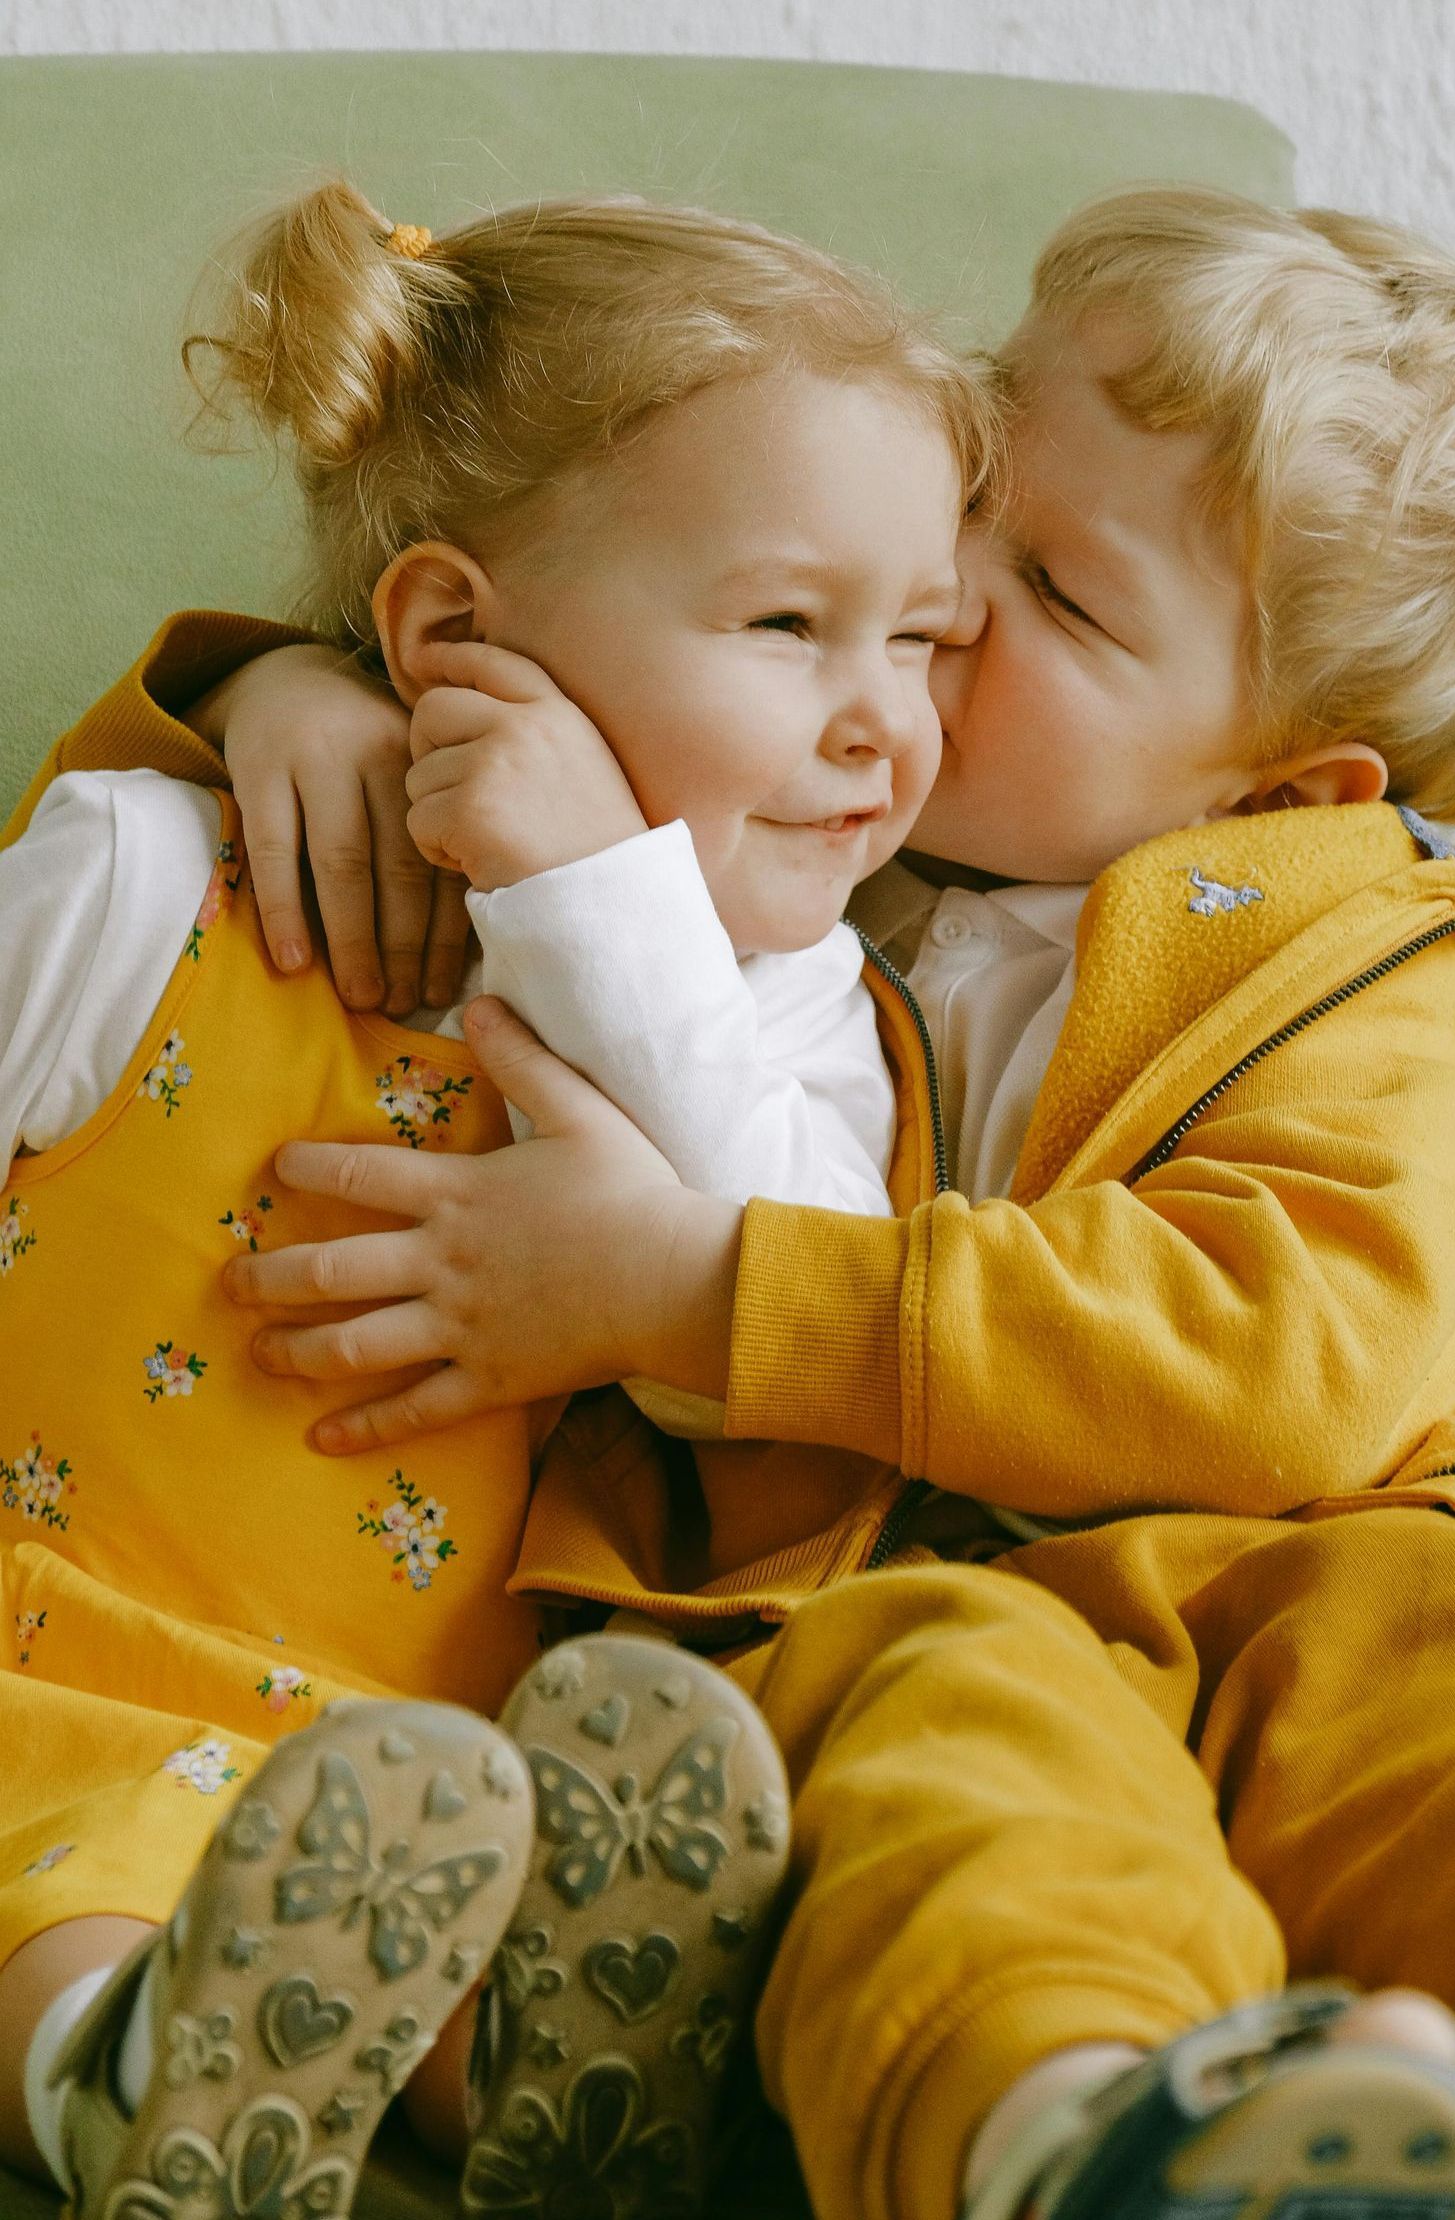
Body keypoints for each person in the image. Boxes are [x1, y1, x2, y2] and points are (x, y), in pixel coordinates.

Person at [20, 185, 1455, 2220]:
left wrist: (701, 1293)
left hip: (1320, 1602)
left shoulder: (1362, 968)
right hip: (930, 1631)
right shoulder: (819, 865)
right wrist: (301, 694)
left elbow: (1281, 1361)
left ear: (1287, 791)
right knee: (971, 1836)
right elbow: (587, 625)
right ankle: (1095, 2148)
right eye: (981, 499)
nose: (947, 604)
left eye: (1058, 594)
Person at [0, 179, 998, 2217]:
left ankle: (550, 2091)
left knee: (463, 1889)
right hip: (37, 1650)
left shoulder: (807, 1023)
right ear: (453, 638)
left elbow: (805, 1330)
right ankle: (136, 2089)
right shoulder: (151, 877)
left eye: (923, 636)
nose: (886, 723)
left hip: (421, 1789)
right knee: (69, 1853)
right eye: (789, 625)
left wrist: (599, 898)